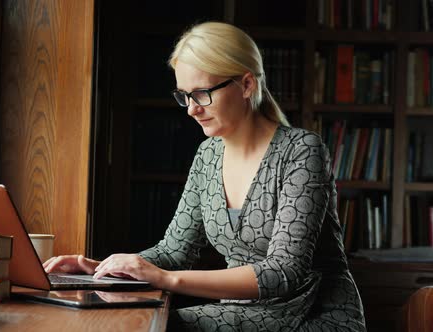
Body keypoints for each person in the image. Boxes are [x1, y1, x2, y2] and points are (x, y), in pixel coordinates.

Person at [43, 21, 366, 331]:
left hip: (313, 316)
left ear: (247, 84)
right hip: (240, 311)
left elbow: (283, 272)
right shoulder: (207, 155)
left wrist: (166, 280)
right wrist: (101, 269)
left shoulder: (301, 150)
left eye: (201, 93)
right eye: (184, 95)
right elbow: (174, 251)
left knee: (159, 325)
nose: (191, 109)